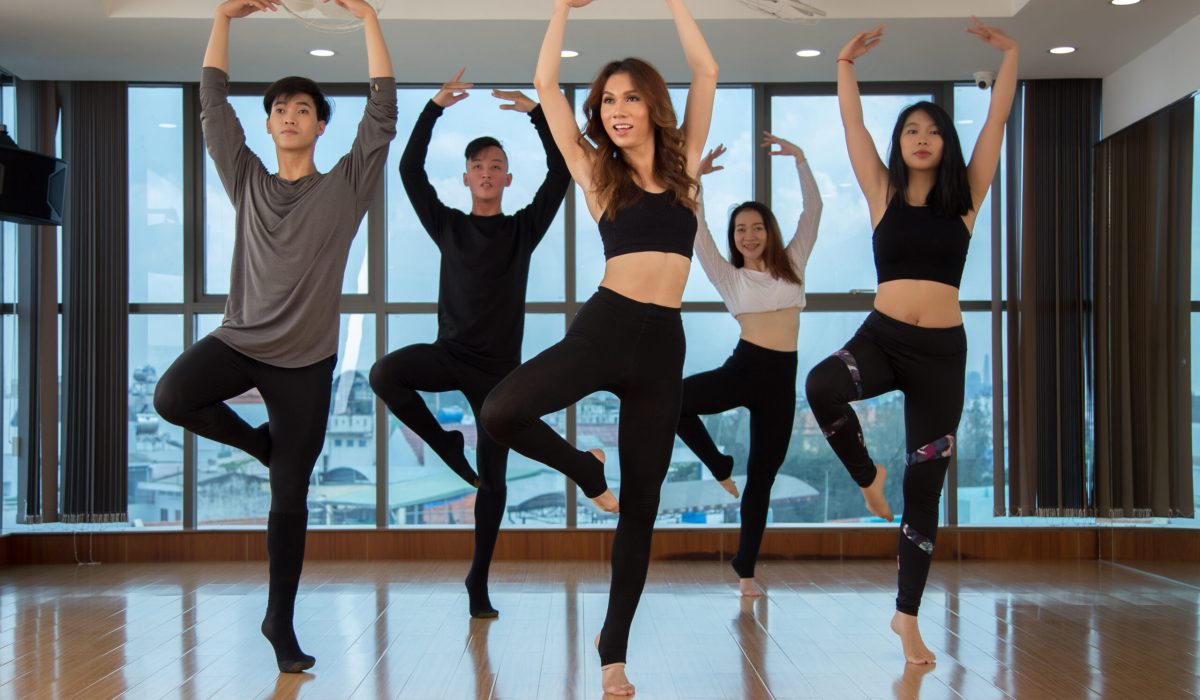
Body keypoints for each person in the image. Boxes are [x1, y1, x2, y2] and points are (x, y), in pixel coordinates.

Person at [478, 0, 717, 694]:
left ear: (652, 106)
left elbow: (706, 68)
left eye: (630, 97)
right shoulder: (594, 172)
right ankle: (586, 469)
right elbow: (546, 87)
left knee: (642, 504)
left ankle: (614, 650)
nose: (617, 109)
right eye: (608, 99)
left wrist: (677, 5)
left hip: (661, 346)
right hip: (605, 327)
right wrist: (560, 10)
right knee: (501, 412)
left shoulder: (686, 166)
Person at [152, 0, 396, 674]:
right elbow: (212, 105)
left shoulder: (347, 187)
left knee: (290, 497)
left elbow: (382, 112)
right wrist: (224, 19)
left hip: (306, 365)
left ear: (320, 125)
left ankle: (279, 623)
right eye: (279, 109)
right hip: (239, 339)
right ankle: (264, 446)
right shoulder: (247, 180)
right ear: (267, 124)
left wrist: (368, 17)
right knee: (172, 396)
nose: (288, 116)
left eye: (302, 109)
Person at [804, 18, 1017, 665]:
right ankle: (868, 476)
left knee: (927, 488)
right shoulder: (882, 192)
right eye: (911, 130)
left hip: (942, 358)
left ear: (946, 144)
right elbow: (852, 129)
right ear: (900, 144)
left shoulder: (966, 198)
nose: (921, 138)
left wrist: (1011, 55)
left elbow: (996, 125)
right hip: (884, 339)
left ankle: (907, 618)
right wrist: (844, 65)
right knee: (821, 385)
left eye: (932, 131)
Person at [369, 67, 570, 619]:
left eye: (496, 167)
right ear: (465, 178)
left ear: (508, 180)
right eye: (478, 166)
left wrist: (536, 114)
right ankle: (443, 445)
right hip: (449, 354)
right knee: (384, 373)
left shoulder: (523, 230)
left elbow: (562, 173)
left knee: (494, 483)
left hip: (500, 375)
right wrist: (432, 107)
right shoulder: (448, 226)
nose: (486, 173)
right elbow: (409, 170)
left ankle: (477, 581)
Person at [678, 133, 821, 598]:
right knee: (673, 400)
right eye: (740, 229)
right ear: (734, 237)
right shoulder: (728, 276)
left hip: (781, 381)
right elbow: (696, 231)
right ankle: (717, 462)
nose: (749, 235)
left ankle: (746, 571)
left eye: (756, 227)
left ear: (769, 231)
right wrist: (695, 181)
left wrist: (800, 161)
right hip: (743, 368)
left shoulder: (793, 263)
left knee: (762, 478)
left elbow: (812, 213)